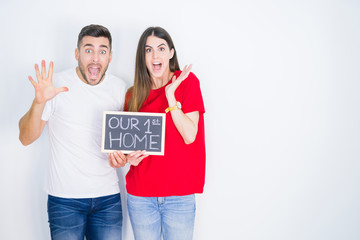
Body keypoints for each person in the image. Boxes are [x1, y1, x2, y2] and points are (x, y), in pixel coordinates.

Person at [19, 24, 127, 240]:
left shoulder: (119, 88)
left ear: (110, 56)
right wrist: (39, 102)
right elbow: (25, 137)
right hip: (64, 200)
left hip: (108, 199)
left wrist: (121, 159)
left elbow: (123, 146)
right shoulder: (55, 85)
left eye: (102, 51)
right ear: (77, 54)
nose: (95, 58)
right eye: (88, 50)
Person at [110, 26, 206, 240]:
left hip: (179, 196)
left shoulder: (187, 82)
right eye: (148, 50)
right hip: (141, 196)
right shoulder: (133, 95)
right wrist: (127, 159)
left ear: (171, 53)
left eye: (161, 48)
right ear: (142, 56)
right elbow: (128, 150)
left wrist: (171, 98)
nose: (155, 55)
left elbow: (190, 135)